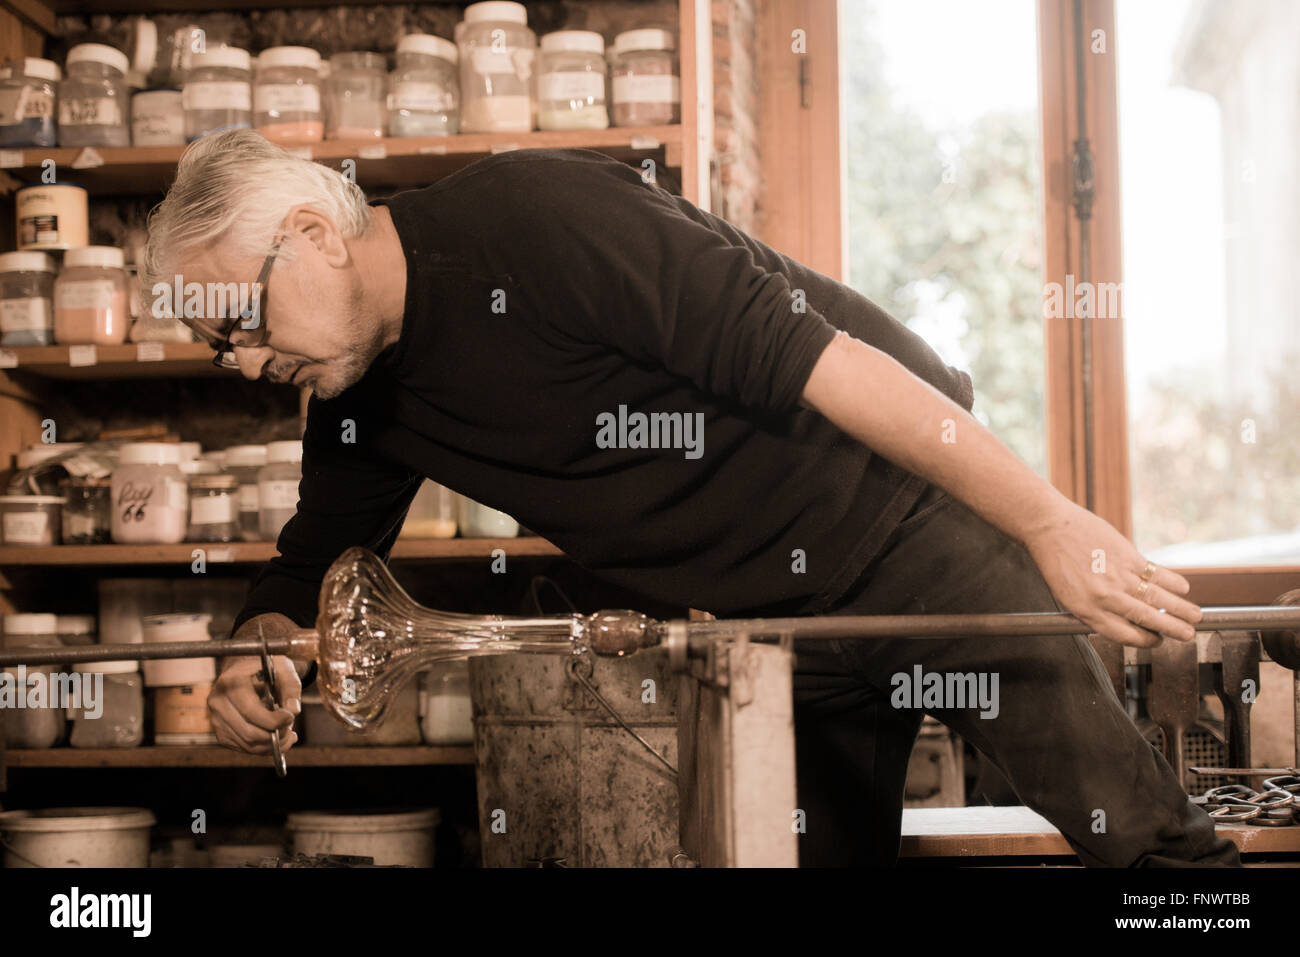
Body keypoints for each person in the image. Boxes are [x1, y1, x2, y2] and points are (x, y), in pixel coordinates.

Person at [142, 129, 1238, 867]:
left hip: (911, 534)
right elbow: (310, 562)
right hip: (764, 632)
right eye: (212, 344)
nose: (238, 363)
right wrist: (257, 647)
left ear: (317, 239)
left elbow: (824, 363)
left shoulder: (538, 220)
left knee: (1142, 842)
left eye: (234, 323)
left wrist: (1044, 520)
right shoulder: (352, 399)